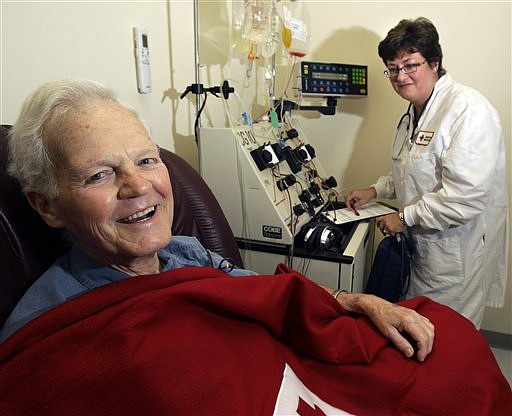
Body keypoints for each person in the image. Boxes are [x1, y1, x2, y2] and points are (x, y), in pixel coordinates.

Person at [0, 78, 434, 362]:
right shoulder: (43, 334)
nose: (138, 187)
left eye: (147, 160)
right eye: (100, 175)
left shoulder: (184, 253)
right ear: (47, 206)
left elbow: (263, 288)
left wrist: (353, 300)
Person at [345, 17, 509, 328]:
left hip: (452, 258)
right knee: (418, 335)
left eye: (410, 65)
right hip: (421, 254)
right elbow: (413, 171)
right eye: (393, 68)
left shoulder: (467, 110)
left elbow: (465, 197)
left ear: (434, 62)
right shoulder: (415, 112)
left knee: (448, 343)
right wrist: (376, 191)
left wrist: (404, 217)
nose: (400, 76)